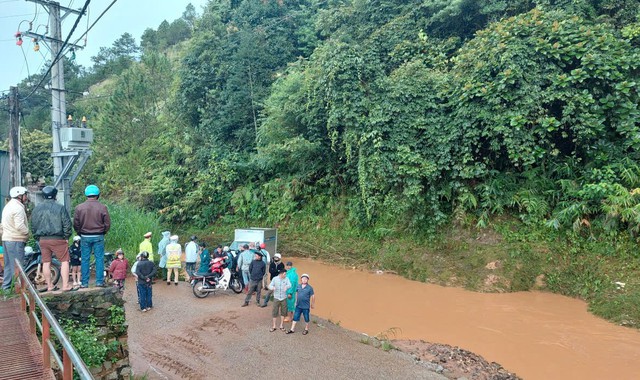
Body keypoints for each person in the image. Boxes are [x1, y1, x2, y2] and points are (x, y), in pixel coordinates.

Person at [31, 186, 73, 292]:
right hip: (58, 238)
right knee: (64, 261)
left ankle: (49, 285)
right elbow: (67, 224)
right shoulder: (60, 207)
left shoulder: (36, 209)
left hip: (43, 240)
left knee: (46, 262)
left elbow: (33, 225)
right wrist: (67, 237)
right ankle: (65, 285)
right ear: (55, 195)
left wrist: (37, 237)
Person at [73, 185, 111, 288]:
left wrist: (79, 232)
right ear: (98, 195)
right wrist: (104, 231)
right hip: (99, 235)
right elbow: (107, 223)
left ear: (86, 195)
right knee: (99, 258)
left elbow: (76, 223)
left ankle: (84, 283)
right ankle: (99, 281)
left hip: (85, 236)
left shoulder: (79, 208)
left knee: (85, 259)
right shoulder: (102, 207)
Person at [2, 186, 29, 291]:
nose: (26, 197)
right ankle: (19, 289)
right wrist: (27, 232)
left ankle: (6, 287)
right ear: (20, 196)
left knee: (9, 264)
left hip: (7, 238)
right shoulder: (18, 208)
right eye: (25, 195)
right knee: (18, 266)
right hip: (15, 239)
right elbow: (19, 226)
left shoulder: (8, 206)